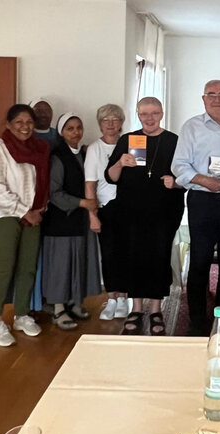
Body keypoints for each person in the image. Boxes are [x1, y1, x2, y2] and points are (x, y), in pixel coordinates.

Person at [171, 80, 220, 336]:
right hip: (202, 201)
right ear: (203, 99)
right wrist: (204, 180)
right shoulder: (191, 127)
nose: (217, 99)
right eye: (212, 94)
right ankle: (196, 318)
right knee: (200, 260)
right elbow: (179, 166)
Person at [105, 97, 184, 336]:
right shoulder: (127, 140)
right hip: (130, 211)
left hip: (164, 211)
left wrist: (176, 182)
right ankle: (137, 309)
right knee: (134, 256)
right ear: (138, 115)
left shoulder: (174, 141)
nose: (150, 118)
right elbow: (111, 177)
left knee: (159, 256)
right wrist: (120, 162)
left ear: (162, 114)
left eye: (154, 113)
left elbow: (187, 176)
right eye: (144, 114)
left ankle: (156, 309)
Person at [0, 104, 50, 347]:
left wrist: (38, 209)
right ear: (9, 124)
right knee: (4, 268)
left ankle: (21, 314)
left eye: (29, 122)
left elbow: (42, 182)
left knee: (27, 267)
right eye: (19, 122)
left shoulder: (39, 148)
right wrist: (24, 212)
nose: (25, 127)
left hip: (34, 214)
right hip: (4, 215)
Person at [41, 113, 102, 330]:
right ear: (61, 132)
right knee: (61, 265)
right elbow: (54, 192)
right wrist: (83, 203)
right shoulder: (57, 156)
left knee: (79, 261)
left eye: (78, 127)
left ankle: (75, 302)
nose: (75, 132)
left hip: (81, 219)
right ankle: (58, 308)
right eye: (70, 128)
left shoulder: (85, 154)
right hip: (62, 221)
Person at [85, 104, 130, 321]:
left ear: (121, 123)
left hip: (129, 206)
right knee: (109, 253)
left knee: (126, 253)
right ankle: (111, 297)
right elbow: (90, 185)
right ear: (100, 124)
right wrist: (92, 215)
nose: (110, 124)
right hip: (106, 207)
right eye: (105, 120)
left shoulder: (129, 144)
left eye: (115, 119)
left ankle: (123, 298)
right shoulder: (95, 149)